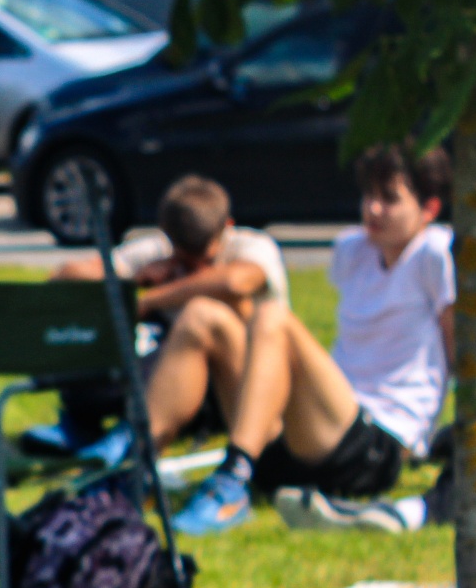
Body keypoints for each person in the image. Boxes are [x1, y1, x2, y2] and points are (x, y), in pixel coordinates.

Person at [176, 146, 455, 535]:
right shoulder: (352, 250)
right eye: (369, 196)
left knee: (272, 315)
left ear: (430, 208)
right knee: (203, 316)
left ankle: (233, 478)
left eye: (389, 199)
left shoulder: (435, 252)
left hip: (376, 447)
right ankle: (133, 463)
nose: (373, 209)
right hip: (317, 433)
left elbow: (460, 347)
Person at [45, 173, 292, 455]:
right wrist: (133, 278)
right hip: (175, 373)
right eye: (185, 259)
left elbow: (234, 282)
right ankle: (89, 426)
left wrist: (152, 298)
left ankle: (130, 440)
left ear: (228, 227)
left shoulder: (252, 246)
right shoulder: (159, 249)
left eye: (206, 260)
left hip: (244, 381)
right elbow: (66, 276)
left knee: (196, 325)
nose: (196, 269)